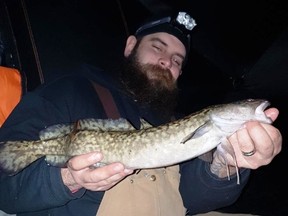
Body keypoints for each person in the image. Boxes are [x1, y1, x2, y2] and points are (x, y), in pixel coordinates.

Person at [0, 11, 282, 216]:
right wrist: (67, 180)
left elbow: (191, 201)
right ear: (130, 46)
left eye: (176, 61)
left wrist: (226, 163)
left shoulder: (175, 122)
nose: (166, 61)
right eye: (158, 47)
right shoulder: (71, 89)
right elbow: (4, 189)